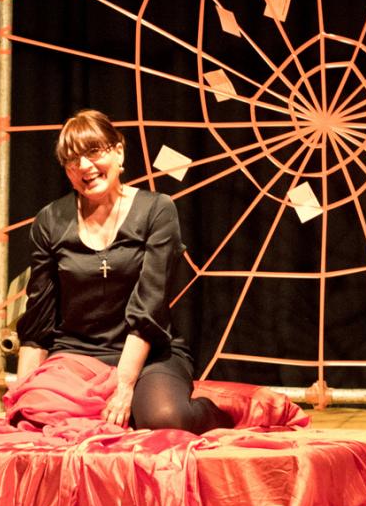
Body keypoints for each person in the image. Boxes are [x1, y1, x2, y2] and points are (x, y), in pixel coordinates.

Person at [12, 110, 231, 434]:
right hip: (76, 356)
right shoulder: (50, 220)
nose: (84, 166)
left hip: (149, 352)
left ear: (118, 152)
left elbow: (149, 308)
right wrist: (21, 396)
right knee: (33, 417)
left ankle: (219, 414)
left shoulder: (156, 210)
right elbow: (38, 322)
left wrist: (125, 386)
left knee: (164, 419)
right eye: (72, 160)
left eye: (93, 152)